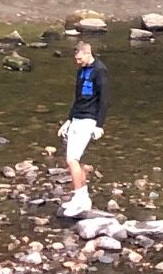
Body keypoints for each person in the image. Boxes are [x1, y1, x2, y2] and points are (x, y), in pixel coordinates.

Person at [58, 38, 109, 217]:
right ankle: (82, 196)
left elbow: (104, 100)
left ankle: (80, 199)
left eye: (80, 59)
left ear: (88, 53)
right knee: (76, 160)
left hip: (89, 120)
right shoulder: (81, 71)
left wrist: (99, 125)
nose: (78, 62)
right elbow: (77, 97)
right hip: (77, 118)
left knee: (71, 160)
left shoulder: (100, 71)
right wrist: (69, 120)